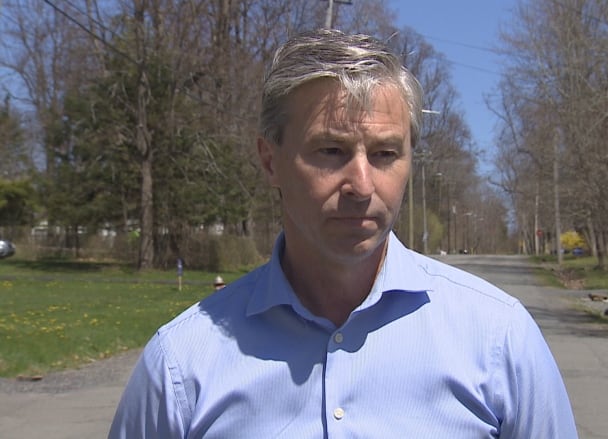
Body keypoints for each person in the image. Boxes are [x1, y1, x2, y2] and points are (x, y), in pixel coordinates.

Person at [109, 29, 577, 438]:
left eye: (385, 153)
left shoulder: (499, 340)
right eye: (331, 150)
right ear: (270, 160)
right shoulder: (181, 366)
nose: (362, 185)